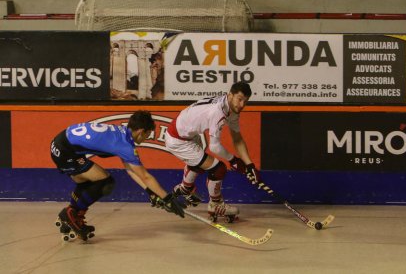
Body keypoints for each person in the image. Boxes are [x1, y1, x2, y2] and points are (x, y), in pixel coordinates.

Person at [50, 110, 185, 241]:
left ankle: (72, 214)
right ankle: (72, 214)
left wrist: (150, 191)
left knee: (91, 181)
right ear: (141, 131)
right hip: (64, 151)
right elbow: (145, 176)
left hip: (61, 143)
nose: (146, 138)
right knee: (105, 182)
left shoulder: (120, 134)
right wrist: (168, 199)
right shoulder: (125, 146)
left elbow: (131, 170)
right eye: (148, 134)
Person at [165, 82, 261, 222]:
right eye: (239, 99)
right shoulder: (219, 112)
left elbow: (237, 138)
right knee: (218, 168)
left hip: (188, 133)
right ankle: (215, 204)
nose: (242, 105)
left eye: (245, 101)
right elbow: (214, 147)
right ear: (230, 95)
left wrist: (249, 164)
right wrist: (234, 160)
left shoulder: (231, 108)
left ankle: (185, 188)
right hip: (178, 139)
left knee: (201, 162)